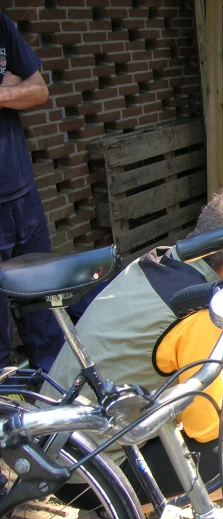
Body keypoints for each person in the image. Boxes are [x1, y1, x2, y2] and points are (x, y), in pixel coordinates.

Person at [42, 189, 223, 502]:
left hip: (53, 445)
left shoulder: (159, 262)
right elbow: (206, 428)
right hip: (85, 475)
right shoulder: (201, 313)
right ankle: (134, 517)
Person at [0, 12, 65, 373]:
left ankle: (57, 406)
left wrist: (5, 91)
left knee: (43, 311)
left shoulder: (2, 24)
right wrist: (12, 89)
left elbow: (38, 89)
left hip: (21, 194)